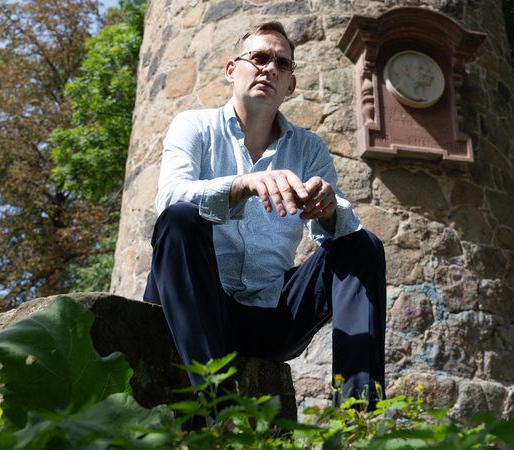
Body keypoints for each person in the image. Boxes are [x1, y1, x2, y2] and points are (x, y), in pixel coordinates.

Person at [143, 21, 386, 405]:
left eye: (282, 63)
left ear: (290, 85)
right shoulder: (194, 126)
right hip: (198, 304)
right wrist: (243, 185)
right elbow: (170, 197)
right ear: (231, 70)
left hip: (271, 313)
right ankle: (213, 407)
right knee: (180, 217)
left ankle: (357, 412)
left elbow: (336, 229)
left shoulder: (309, 149)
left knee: (362, 244)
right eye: (258, 57)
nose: (269, 68)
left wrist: (326, 210)